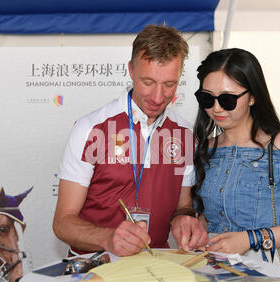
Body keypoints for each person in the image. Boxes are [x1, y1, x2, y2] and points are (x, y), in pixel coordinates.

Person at [53, 24, 208, 257]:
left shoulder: (184, 133)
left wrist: (184, 220)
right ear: (131, 71)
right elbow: (63, 223)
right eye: (148, 82)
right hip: (95, 266)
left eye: (169, 84)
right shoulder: (91, 129)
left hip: (155, 267)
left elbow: (182, 206)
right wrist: (108, 238)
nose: (158, 97)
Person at [191, 48, 280, 282]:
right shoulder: (206, 148)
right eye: (207, 98)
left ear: (252, 97)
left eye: (227, 99)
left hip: (265, 268)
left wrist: (249, 239)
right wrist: (196, 229)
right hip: (212, 266)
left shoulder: (279, 144)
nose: (216, 108)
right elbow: (207, 215)